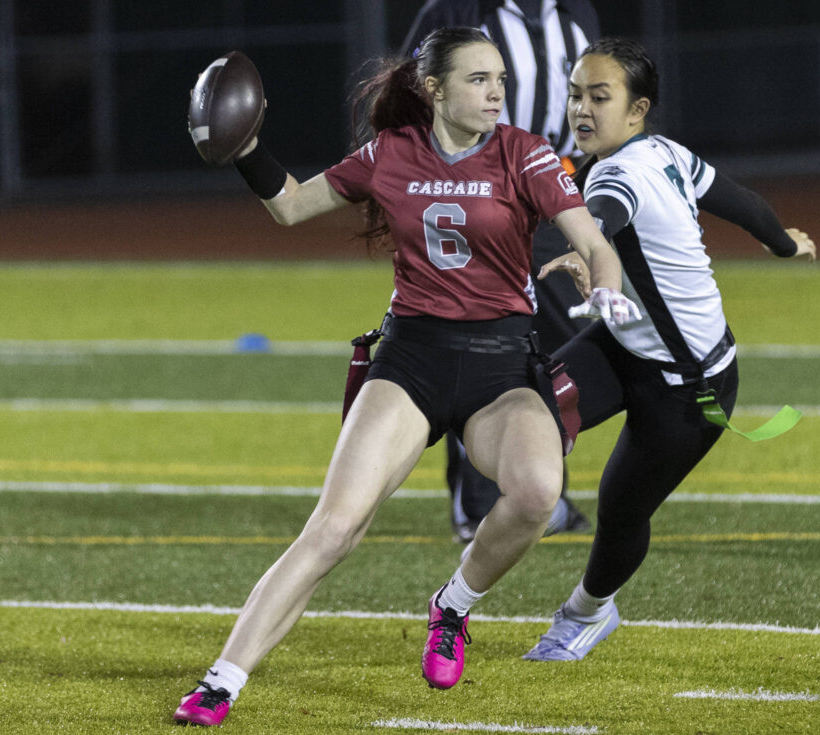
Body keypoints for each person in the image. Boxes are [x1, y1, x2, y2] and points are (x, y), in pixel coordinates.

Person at [172, 27, 639, 726]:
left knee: (538, 491)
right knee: (334, 527)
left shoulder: (524, 152)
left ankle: (452, 605)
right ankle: (222, 680)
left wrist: (606, 288)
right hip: (412, 358)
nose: (496, 92)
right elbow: (291, 206)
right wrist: (246, 151)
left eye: (500, 79)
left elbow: (595, 242)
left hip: (502, 365)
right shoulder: (390, 154)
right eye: (479, 79)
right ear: (435, 89)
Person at [513, 37, 817, 662]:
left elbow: (606, 213)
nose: (581, 109)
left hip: (688, 387)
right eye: (576, 94)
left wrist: (585, 248)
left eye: (600, 97)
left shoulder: (621, 172)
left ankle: (587, 612)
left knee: (620, 511)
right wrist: (783, 243)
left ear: (637, 109)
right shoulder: (664, 151)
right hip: (627, 345)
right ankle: (494, 534)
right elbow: (745, 204)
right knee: (521, 413)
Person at [403, 0, 602, 542]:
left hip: (556, 195)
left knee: (567, 350)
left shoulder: (577, 13)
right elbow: (409, 93)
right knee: (483, 347)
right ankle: (479, 503)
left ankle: (534, 485)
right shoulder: (458, 9)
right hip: (482, 199)